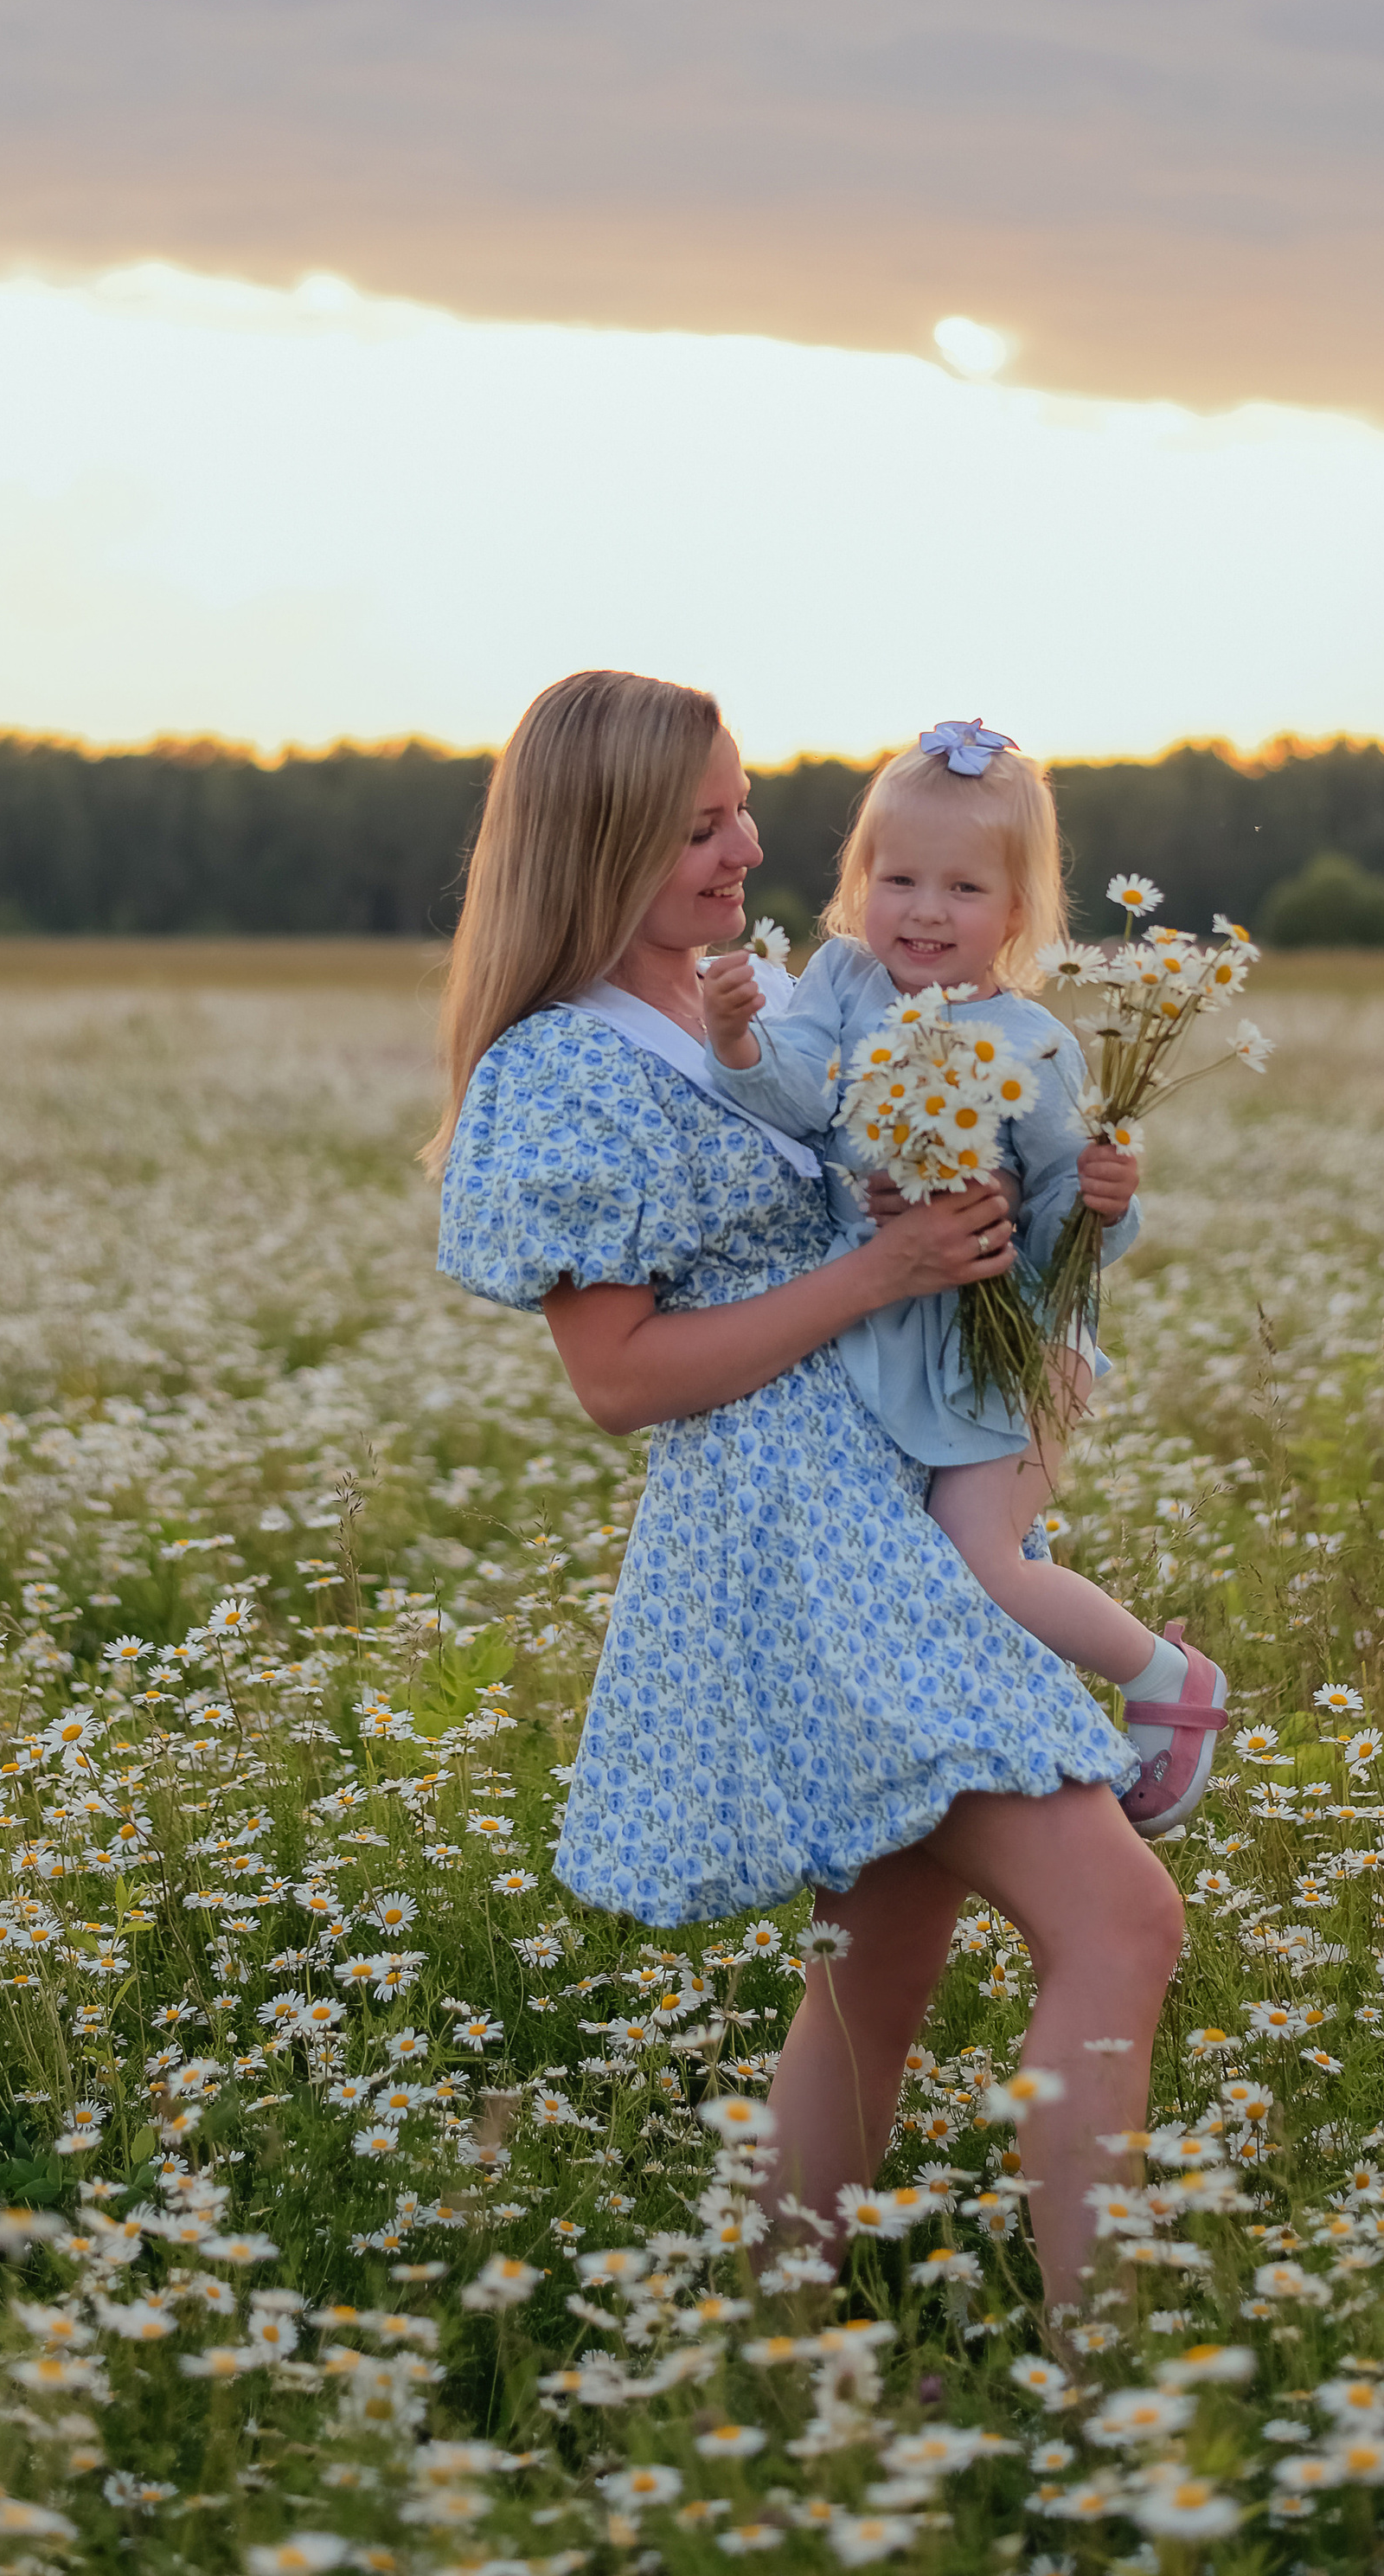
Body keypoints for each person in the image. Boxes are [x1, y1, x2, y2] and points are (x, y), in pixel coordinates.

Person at [428, 669, 1186, 2305]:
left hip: (881, 1505)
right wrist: (887, 1268)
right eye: (699, 825)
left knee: (875, 1977)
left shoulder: (765, 1002)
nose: (742, 845)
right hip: (801, 1539)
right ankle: (1106, 2384)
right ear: (604, 842)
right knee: (1120, 1926)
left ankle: (780, 2352)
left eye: (741, 806)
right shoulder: (568, 1067)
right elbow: (619, 1379)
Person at [698, 719, 1227, 1836]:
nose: (925, 911)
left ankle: (1168, 1684)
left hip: (1023, 1341)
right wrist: (740, 1043)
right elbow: (799, 1096)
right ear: (856, 886)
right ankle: (957, 1758)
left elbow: (1056, 1241)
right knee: (909, 1570)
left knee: (977, 1560)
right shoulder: (843, 979)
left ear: (1018, 913)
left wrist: (1102, 1201)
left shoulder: (1036, 1044)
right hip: (898, 1331)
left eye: (963, 887)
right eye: (897, 879)